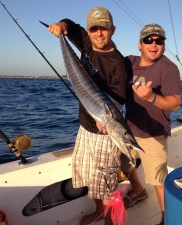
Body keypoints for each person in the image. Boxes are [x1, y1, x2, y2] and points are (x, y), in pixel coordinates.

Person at [48, 7, 131, 225]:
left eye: (103, 29)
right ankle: (98, 211)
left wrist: (106, 122)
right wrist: (61, 26)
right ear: (89, 30)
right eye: (94, 29)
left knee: (107, 182)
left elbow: (118, 104)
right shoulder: (86, 40)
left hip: (105, 133)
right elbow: (70, 25)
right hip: (85, 126)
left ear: (112, 30)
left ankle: (109, 221)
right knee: (90, 176)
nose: (99, 34)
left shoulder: (119, 65)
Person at [121, 23, 181, 225]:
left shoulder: (169, 69)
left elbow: (175, 103)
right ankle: (138, 190)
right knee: (123, 163)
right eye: (148, 40)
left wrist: (152, 97)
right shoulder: (128, 62)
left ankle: (167, 217)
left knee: (157, 179)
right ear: (140, 44)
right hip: (128, 129)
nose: (153, 44)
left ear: (163, 45)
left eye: (159, 41)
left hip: (153, 133)